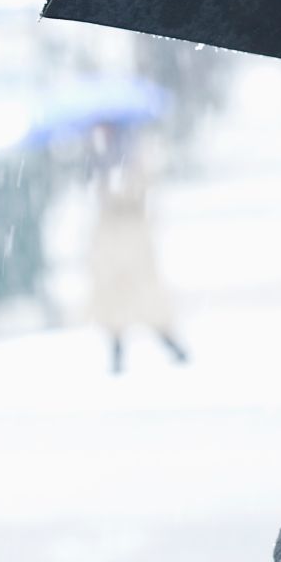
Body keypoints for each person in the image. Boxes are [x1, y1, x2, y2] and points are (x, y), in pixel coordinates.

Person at [84, 122, 189, 374]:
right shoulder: (97, 156)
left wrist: (116, 186)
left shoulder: (134, 153)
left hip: (133, 239)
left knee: (145, 295)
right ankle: (118, 350)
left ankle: (170, 343)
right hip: (110, 241)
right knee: (113, 297)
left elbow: (138, 192)